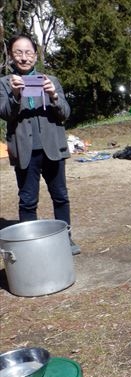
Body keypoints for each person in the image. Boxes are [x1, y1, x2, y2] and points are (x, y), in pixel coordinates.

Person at [0, 33, 80, 255]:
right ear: (10, 56)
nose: (24, 57)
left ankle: (66, 239)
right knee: (27, 201)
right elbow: (5, 114)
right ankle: (31, 246)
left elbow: (65, 113)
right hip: (24, 151)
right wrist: (16, 95)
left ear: (35, 55)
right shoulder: (4, 83)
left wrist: (54, 95)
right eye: (18, 52)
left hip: (52, 148)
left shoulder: (51, 80)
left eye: (28, 52)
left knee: (61, 196)